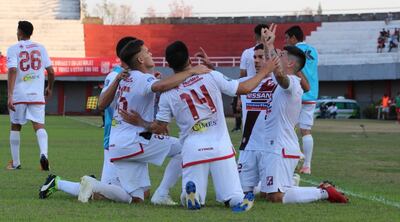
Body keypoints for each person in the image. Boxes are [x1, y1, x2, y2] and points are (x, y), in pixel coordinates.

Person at [77, 38, 211, 205]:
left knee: (136, 198)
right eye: (147, 52)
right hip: (134, 141)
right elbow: (161, 87)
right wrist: (192, 71)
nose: (151, 53)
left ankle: (95, 186)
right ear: (140, 59)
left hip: (118, 145)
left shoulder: (125, 77)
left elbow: (102, 104)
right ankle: (162, 193)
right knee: (184, 149)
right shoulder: (141, 78)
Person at [152, 40, 279, 212]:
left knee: (191, 193)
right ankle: (237, 200)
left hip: (193, 149)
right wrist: (265, 71)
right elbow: (244, 88)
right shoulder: (209, 74)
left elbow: (160, 127)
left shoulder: (167, 93)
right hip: (221, 147)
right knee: (234, 194)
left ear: (169, 64)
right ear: (189, 59)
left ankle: (192, 196)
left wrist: (142, 123)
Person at [38, 37, 135, 200]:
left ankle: (87, 183)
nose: (149, 53)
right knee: (108, 194)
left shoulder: (130, 76)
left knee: (135, 193)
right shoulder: (115, 76)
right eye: (143, 50)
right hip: (115, 140)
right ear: (130, 54)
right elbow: (108, 106)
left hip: (128, 139)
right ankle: (59, 183)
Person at [260, 24, 348, 204]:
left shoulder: (291, 81)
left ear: (290, 63)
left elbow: (280, 76)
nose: (278, 56)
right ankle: (292, 182)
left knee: (276, 197)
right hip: (275, 145)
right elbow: (274, 69)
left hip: (282, 148)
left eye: (281, 55)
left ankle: (324, 192)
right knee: (265, 193)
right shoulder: (285, 77)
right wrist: (267, 47)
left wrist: (270, 47)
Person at [6, 21, 55, 170]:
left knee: (15, 126)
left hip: (19, 95)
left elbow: (13, 70)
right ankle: (44, 155)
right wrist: (50, 87)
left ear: (20, 32)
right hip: (36, 95)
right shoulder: (41, 48)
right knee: (39, 125)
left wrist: (9, 95)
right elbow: (51, 71)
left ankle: (16, 163)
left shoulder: (13, 48)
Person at [285, 25, 319, 175]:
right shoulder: (314, 51)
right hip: (311, 93)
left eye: (287, 38)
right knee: (306, 130)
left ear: (293, 38)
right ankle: (307, 165)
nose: (286, 41)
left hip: (297, 91)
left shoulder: (293, 52)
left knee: (288, 126)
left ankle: (294, 158)